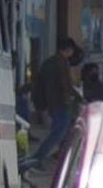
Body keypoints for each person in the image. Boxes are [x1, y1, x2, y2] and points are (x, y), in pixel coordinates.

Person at [20, 37, 80, 171]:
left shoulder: (51, 62)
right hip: (60, 103)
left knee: (62, 133)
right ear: (69, 50)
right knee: (58, 133)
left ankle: (57, 157)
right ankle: (38, 158)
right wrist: (78, 97)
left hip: (55, 103)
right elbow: (65, 85)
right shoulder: (60, 63)